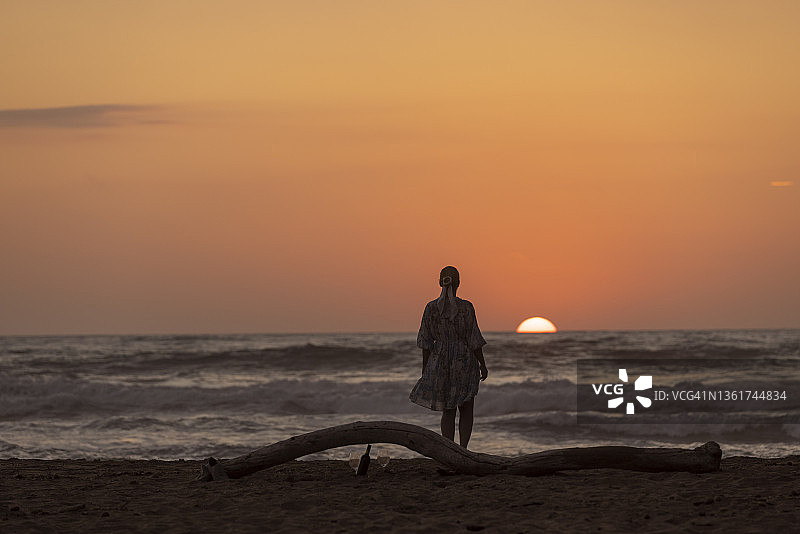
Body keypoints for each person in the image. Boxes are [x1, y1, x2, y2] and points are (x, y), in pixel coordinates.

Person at [409, 266, 488, 449]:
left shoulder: (431, 308)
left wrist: (426, 369)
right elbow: (474, 339)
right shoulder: (466, 307)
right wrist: (482, 364)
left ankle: (449, 450)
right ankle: (463, 450)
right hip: (464, 360)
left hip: (440, 362)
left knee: (448, 410)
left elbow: (425, 342)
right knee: (466, 409)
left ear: (439, 282)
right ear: (459, 283)